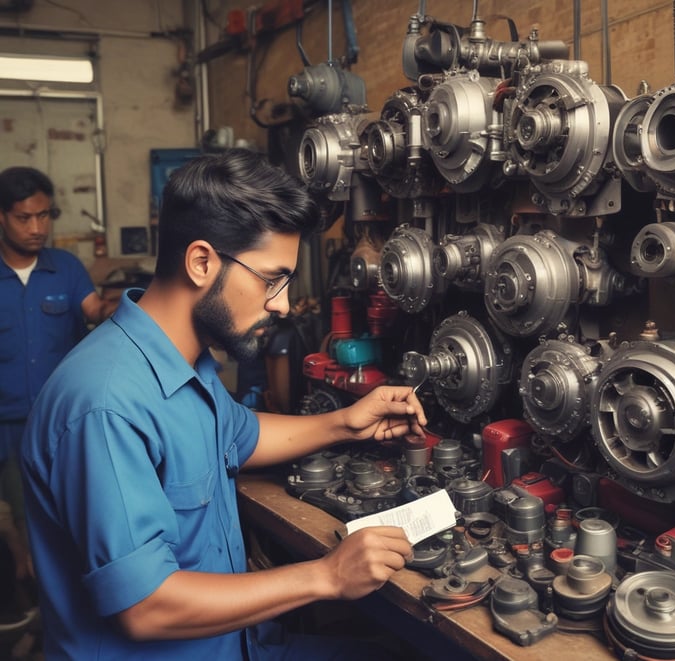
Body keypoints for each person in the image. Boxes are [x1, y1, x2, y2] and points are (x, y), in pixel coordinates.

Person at [20, 148, 427, 660]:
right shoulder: (104, 405)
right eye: (271, 278)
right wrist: (326, 576)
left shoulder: (185, 361)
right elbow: (146, 607)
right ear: (201, 262)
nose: (281, 303)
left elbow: (239, 432)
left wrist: (347, 422)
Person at [0, 166, 114, 628]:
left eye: (45, 216)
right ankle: (20, 606)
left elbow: (94, 311)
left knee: (66, 519)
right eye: (26, 218)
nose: (38, 228)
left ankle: (63, 614)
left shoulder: (65, 268)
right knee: (15, 526)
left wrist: (128, 303)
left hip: (56, 424)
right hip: (4, 426)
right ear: (2, 217)